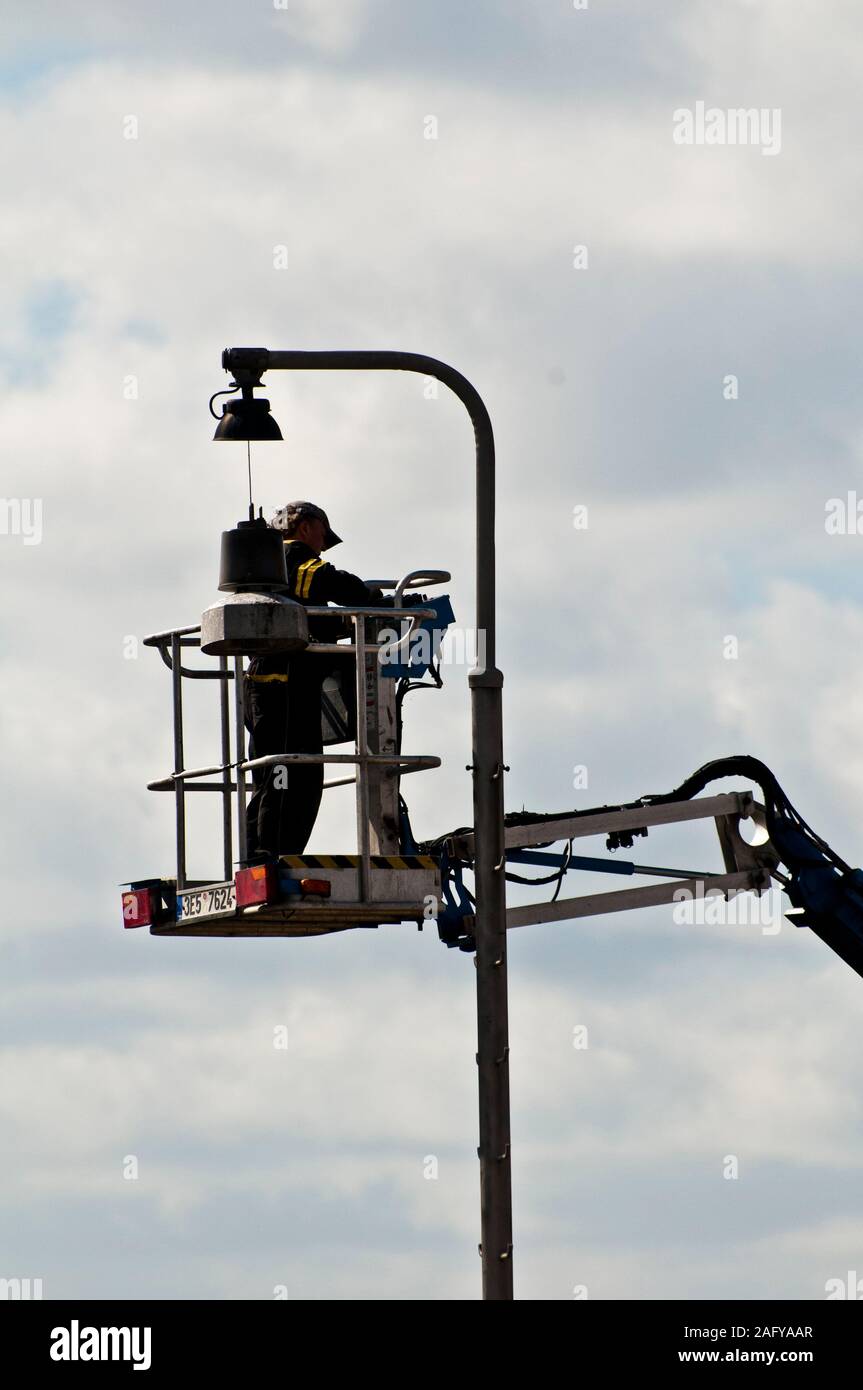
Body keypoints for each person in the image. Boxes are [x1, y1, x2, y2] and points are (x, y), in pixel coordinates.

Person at [243, 501, 391, 861]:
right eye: (323, 534)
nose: (324, 545)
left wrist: (339, 624)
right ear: (307, 526)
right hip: (287, 686)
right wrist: (371, 598)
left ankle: (258, 859)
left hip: (267, 685)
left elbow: (306, 614)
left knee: (272, 775)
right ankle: (276, 860)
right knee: (297, 776)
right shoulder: (293, 559)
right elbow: (327, 581)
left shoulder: (265, 567)